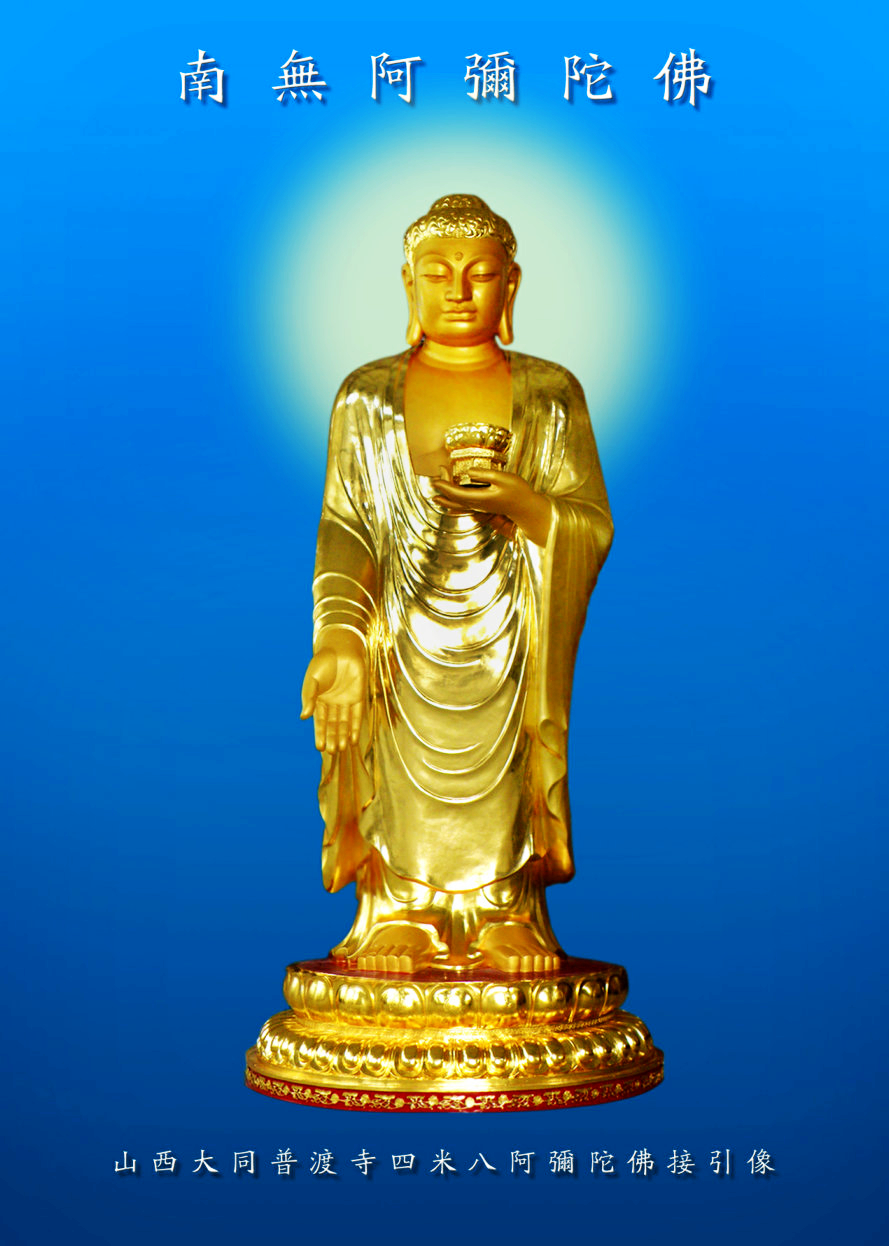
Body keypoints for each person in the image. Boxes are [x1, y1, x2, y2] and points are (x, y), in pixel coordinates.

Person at [300, 194, 613, 974]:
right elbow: (345, 526)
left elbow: (589, 523)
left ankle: (505, 910)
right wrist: (338, 636)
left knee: (504, 771)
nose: (459, 290)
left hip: (510, 631)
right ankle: (401, 908)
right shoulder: (366, 395)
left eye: (480, 273)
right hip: (399, 634)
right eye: (437, 274)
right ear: (408, 285)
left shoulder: (550, 392)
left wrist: (524, 504)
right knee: (399, 769)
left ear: (512, 286)